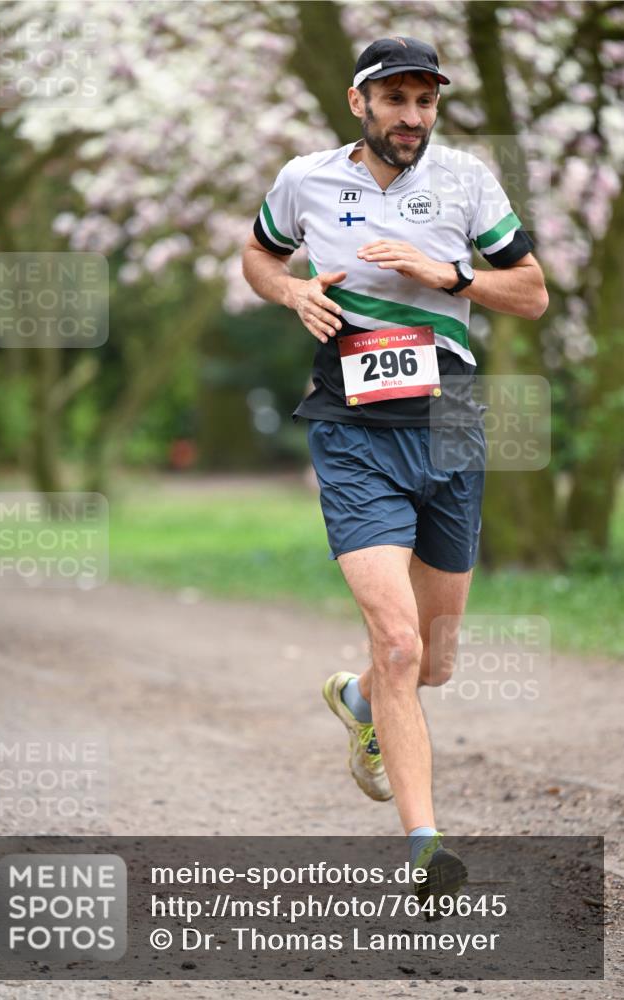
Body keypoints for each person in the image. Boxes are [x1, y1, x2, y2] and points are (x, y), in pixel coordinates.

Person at [242, 36, 548, 902]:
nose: (410, 117)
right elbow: (258, 256)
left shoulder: (465, 182)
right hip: (350, 425)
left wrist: (446, 275)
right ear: (359, 103)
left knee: (437, 661)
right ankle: (425, 845)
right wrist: (291, 290)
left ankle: (363, 701)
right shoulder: (303, 179)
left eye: (424, 102)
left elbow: (529, 291)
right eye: (395, 100)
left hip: (449, 422)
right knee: (400, 641)